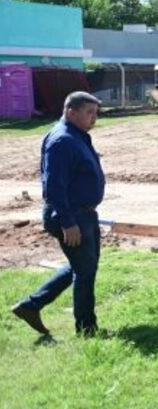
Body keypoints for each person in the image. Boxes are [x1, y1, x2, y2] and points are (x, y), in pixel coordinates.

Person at [11, 91, 105, 338]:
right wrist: (68, 222)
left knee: (84, 266)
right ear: (70, 112)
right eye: (89, 113)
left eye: (96, 113)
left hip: (84, 214)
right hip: (72, 216)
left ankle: (31, 305)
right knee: (84, 271)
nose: (94, 118)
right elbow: (53, 187)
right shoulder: (62, 141)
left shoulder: (77, 135)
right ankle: (87, 330)